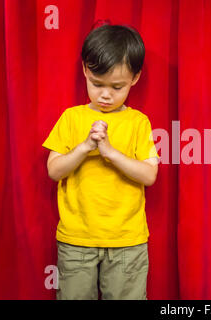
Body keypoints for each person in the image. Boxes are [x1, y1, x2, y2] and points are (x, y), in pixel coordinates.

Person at [42, 24, 160, 300]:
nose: (106, 95)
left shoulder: (138, 122)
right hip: (76, 240)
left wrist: (111, 153)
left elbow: (149, 175)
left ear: (135, 78)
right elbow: (53, 170)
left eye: (116, 87)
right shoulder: (71, 118)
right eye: (97, 84)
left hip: (127, 241)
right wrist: (85, 147)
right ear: (85, 70)